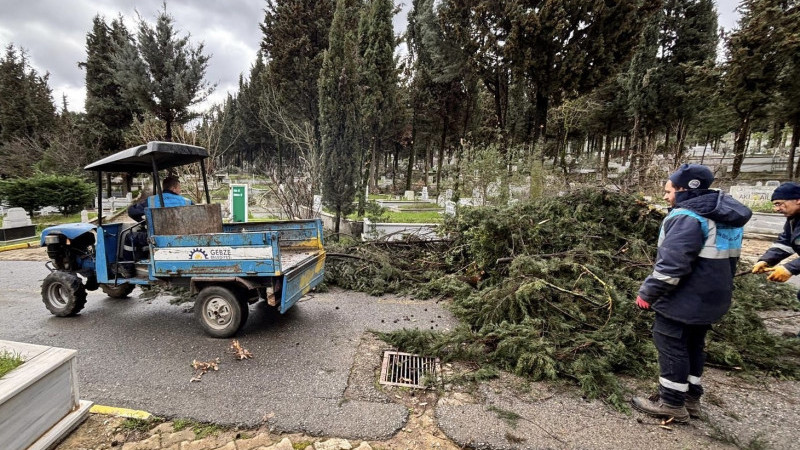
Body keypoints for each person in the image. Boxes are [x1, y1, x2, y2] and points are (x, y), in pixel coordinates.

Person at [631, 164, 752, 423]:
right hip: (713, 295)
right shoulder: (725, 215)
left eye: (668, 191)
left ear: (685, 189)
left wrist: (648, 293)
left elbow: (673, 265)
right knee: (694, 344)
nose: (665, 197)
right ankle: (691, 398)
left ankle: (672, 403)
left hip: (685, 296)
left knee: (671, 343)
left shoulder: (688, 217)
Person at [120, 176, 192, 277]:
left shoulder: (152, 201)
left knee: (129, 237)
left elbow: (132, 211)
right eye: (179, 188)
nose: (180, 190)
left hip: (157, 238)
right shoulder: (187, 201)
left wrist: (144, 221)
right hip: (181, 238)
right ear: (174, 188)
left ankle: (128, 269)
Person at [751, 182, 800, 289]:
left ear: (798, 200)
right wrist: (766, 260)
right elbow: (786, 242)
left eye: (779, 204)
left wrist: (790, 268)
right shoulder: (794, 219)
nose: (776, 209)